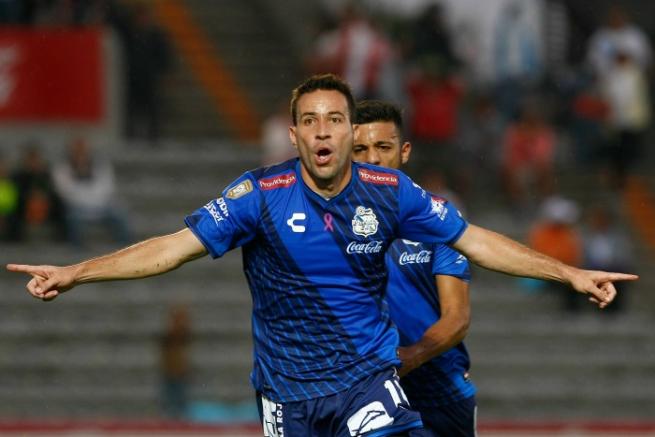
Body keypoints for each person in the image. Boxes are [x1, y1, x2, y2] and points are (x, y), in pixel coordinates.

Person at [7, 74, 637, 436]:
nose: (324, 131)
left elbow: (475, 240)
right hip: (286, 394)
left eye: (335, 119)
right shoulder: (259, 195)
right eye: (310, 121)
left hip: (365, 380)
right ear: (295, 134)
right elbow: (172, 249)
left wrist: (568, 272)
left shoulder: (391, 191)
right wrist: (76, 272)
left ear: (348, 128)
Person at [353, 100, 475, 435]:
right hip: (365, 394)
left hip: (441, 393)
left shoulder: (437, 220)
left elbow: (458, 317)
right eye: (359, 149)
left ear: (404, 151)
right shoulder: (328, 226)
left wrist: (410, 356)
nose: (373, 159)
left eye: (383, 147)